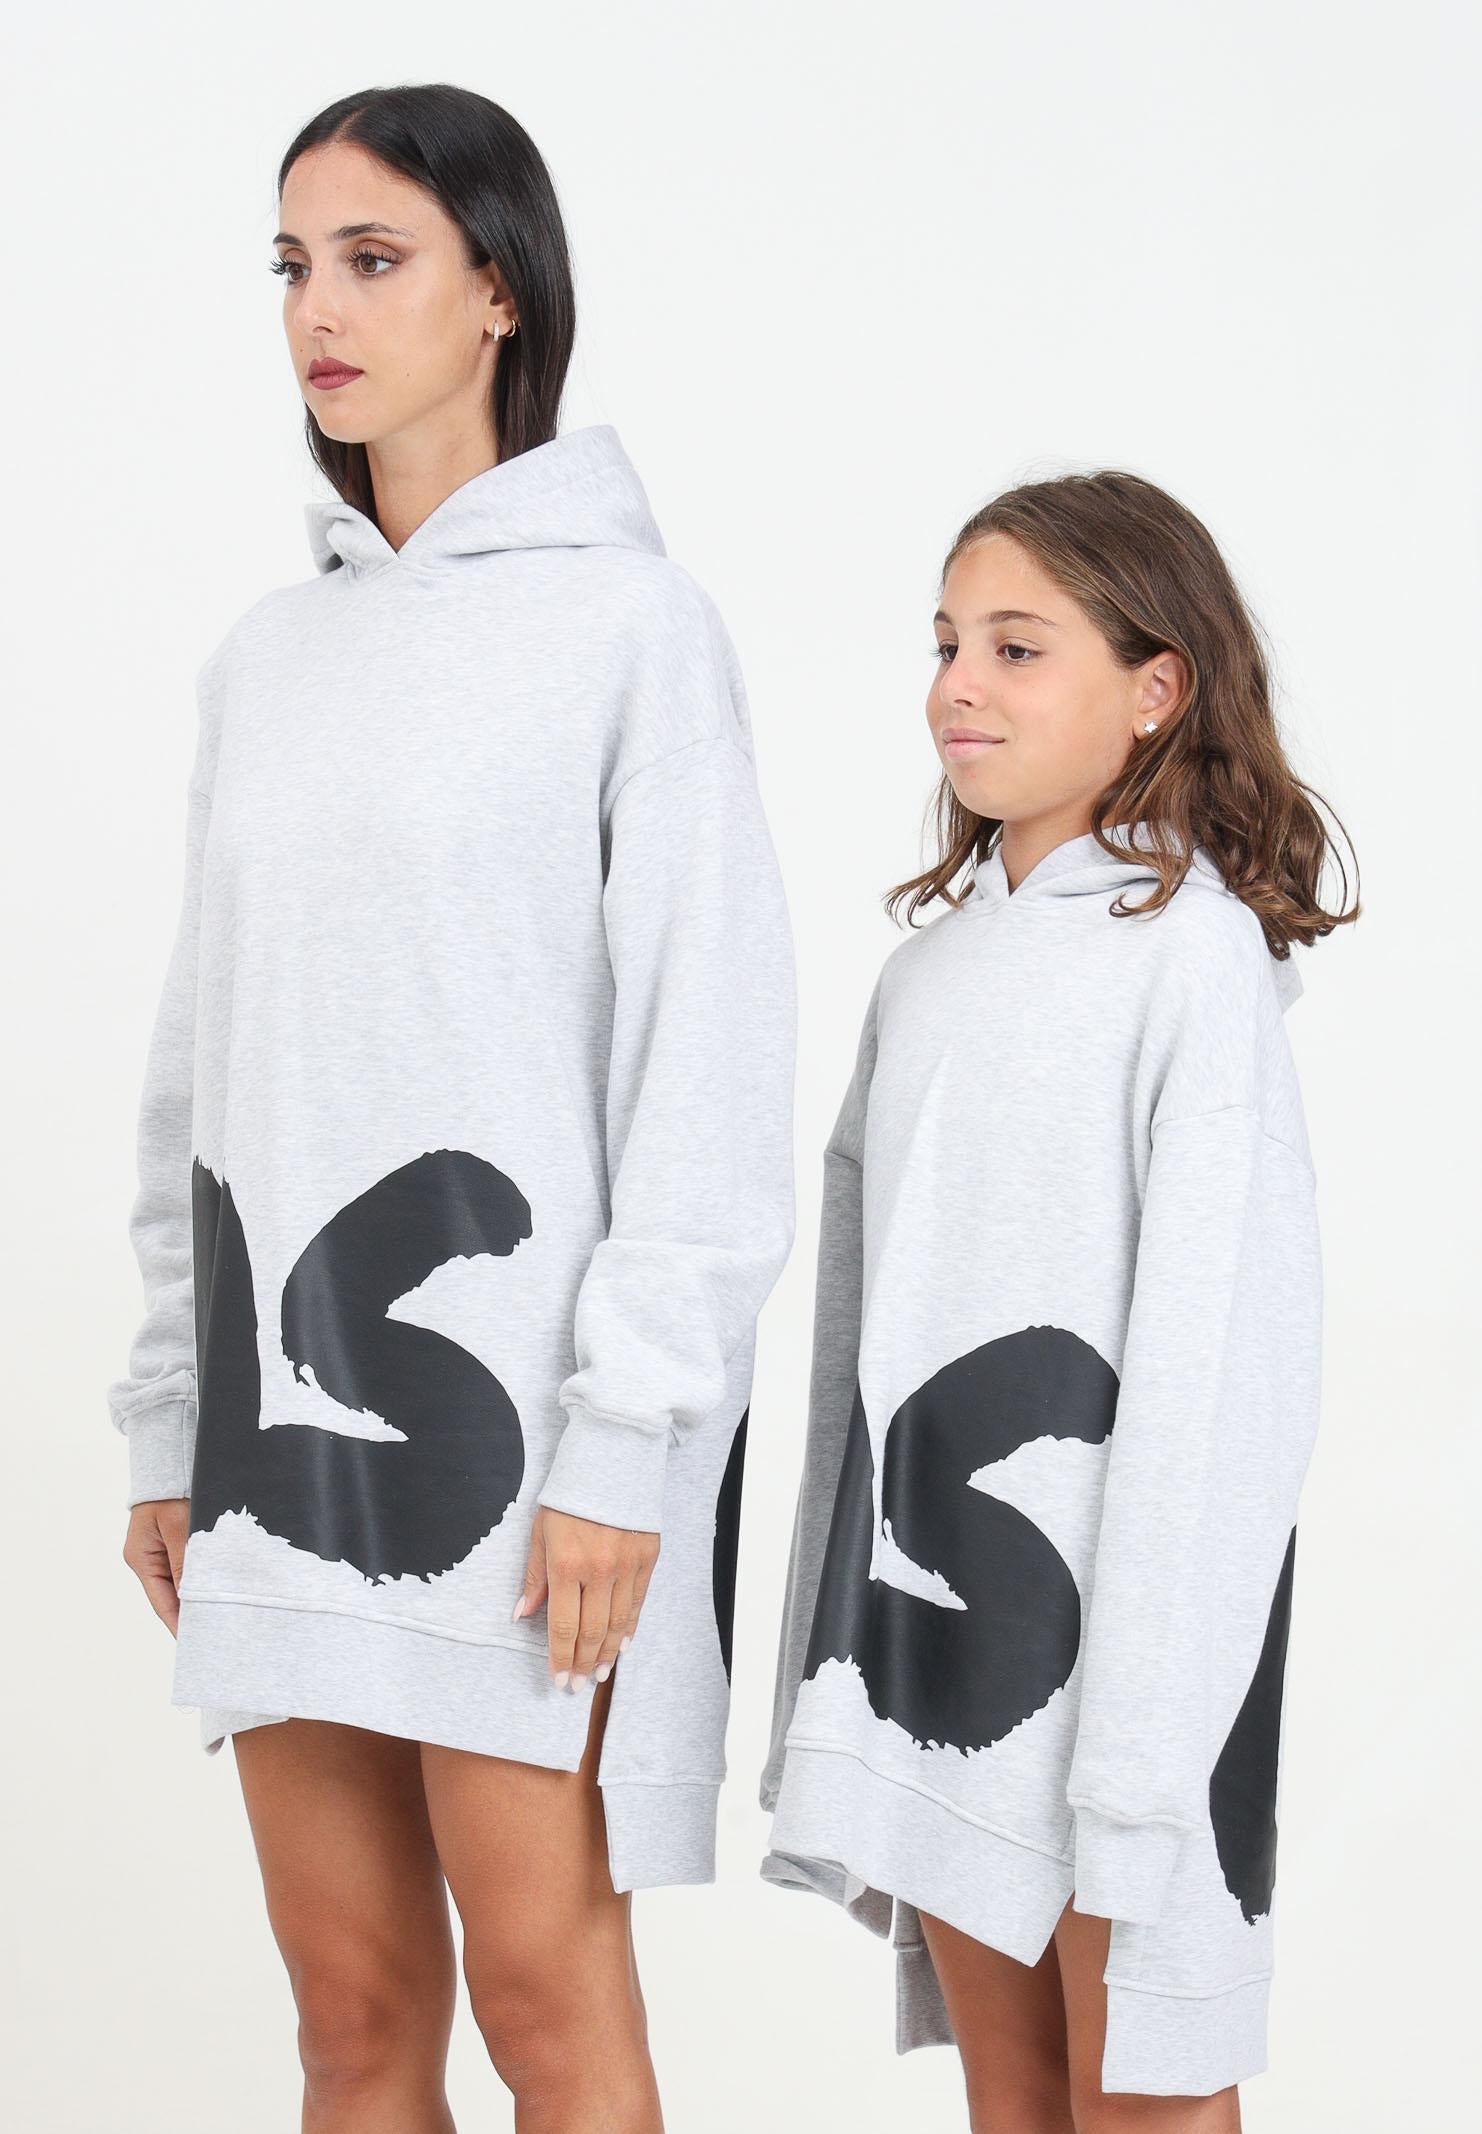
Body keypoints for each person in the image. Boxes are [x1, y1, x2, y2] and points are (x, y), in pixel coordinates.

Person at [107, 83, 796, 2132]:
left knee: (548, 2009)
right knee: (349, 2015)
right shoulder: (266, 657)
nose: (315, 310)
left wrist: (626, 1440)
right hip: (274, 1434)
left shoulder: (634, 630)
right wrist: (172, 1410)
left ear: (499, 289)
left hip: (518, 1452)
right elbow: (198, 1060)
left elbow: (707, 1062)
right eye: (291, 266)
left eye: (372, 258)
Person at [759, 468, 1356, 2131]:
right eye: (946, 642)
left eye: (1016, 648)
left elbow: (1227, 1365)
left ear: (1155, 687)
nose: (957, 685)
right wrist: (834, 1656)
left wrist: (1145, 1737)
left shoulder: (1193, 963)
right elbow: (858, 1350)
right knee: (1013, 2100)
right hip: (939, 1614)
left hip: (1130, 1638)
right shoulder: (926, 974)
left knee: (1145, 2095)